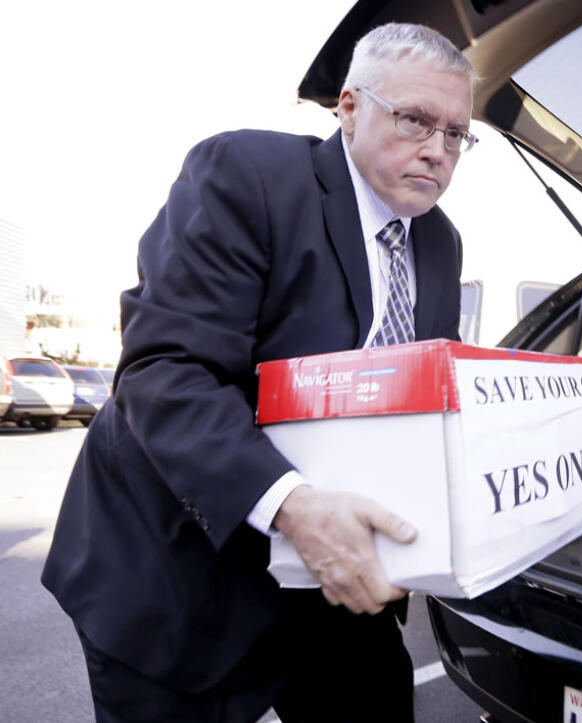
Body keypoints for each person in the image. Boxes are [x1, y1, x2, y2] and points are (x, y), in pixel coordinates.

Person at [41, 22, 476, 722]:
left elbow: (423, 397)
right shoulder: (247, 175)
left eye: (457, 133)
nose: (438, 149)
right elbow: (165, 371)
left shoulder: (439, 242)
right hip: (179, 575)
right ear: (350, 107)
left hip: (333, 579)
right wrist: (295, 508)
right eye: (416, 119)